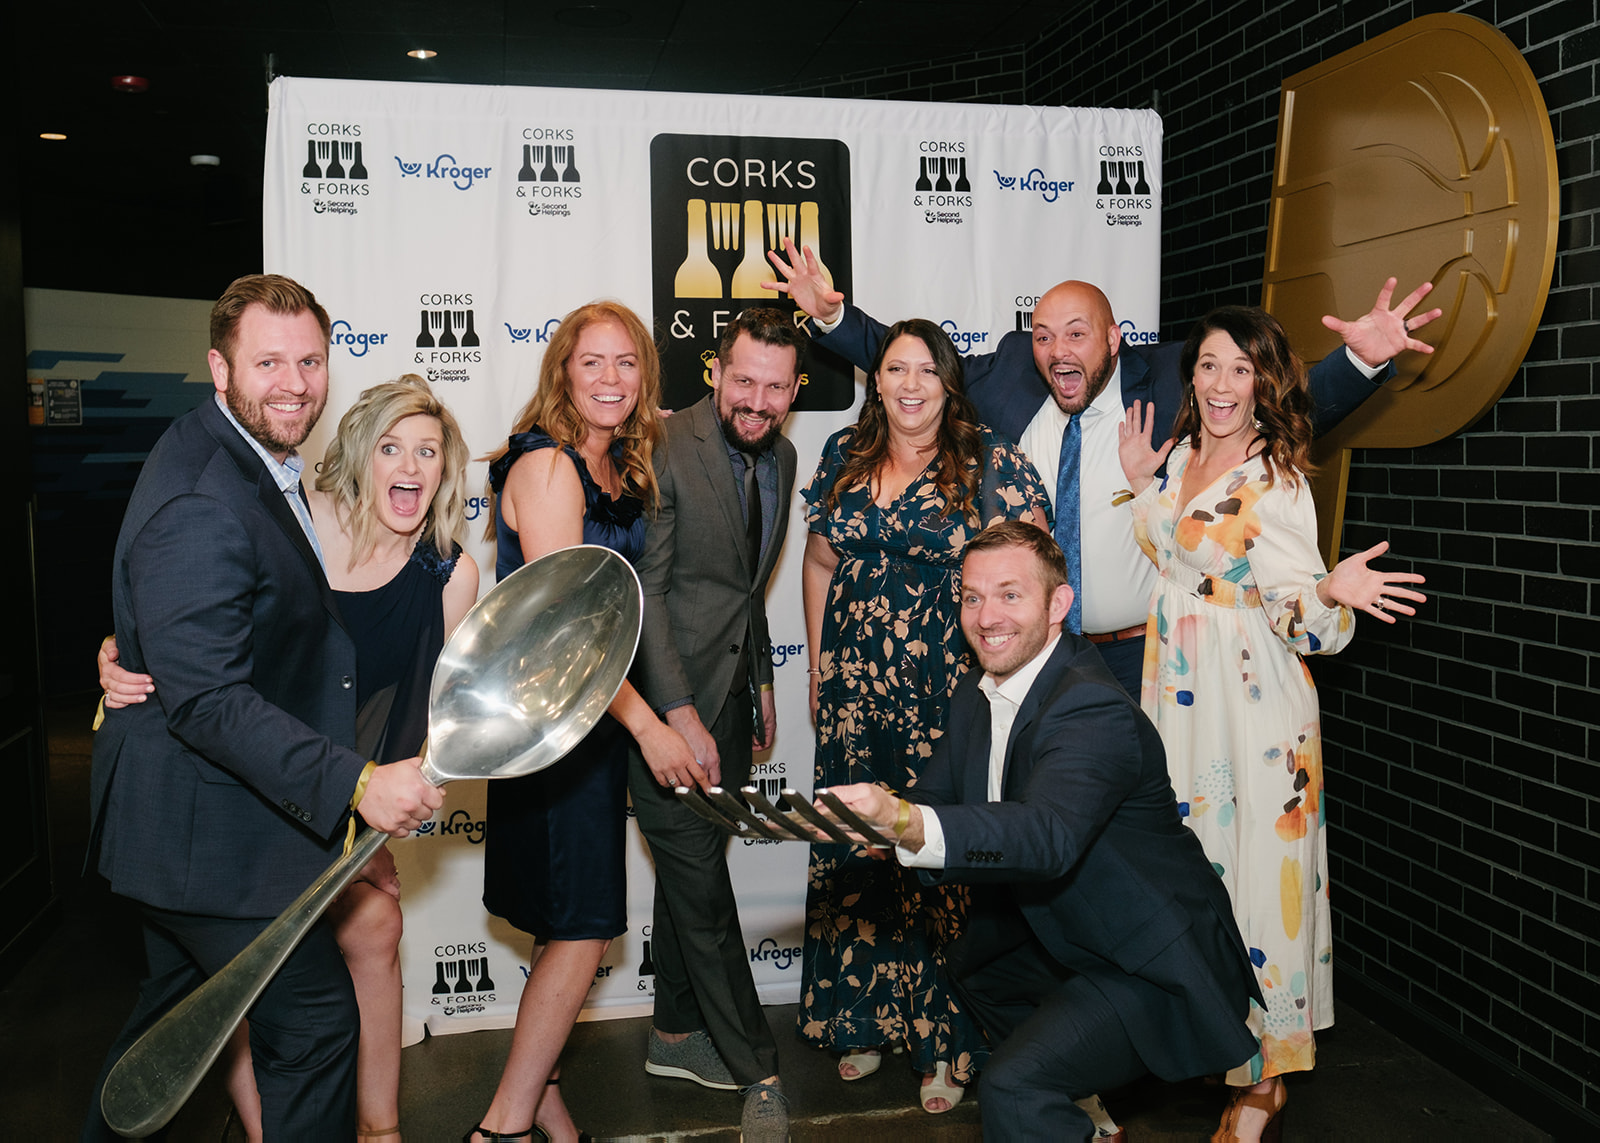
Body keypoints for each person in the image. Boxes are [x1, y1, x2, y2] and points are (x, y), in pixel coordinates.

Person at [83, 275, 443, 1142]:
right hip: (205, 838)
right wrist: (355, 781)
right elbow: (206, 698)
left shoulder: (250, 462)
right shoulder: (208, 492)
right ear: (220, 367)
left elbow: (216, 631)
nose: (293, 381)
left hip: (189, 827)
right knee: (316, 1028)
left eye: (310, 360)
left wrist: (130, 643)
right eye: (268, 361)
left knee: (164, 1048)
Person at [765, 239, 1439, 694]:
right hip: (1029, 654)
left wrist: (1361, 362)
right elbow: (916, 364)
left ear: (1114, 338)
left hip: (1143, 653)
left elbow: (1281, 404)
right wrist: (833, 317)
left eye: (1077, 333)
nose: (1057, 349)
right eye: (1044, 335)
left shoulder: (1176, 386)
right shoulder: (1006, 378)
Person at [817, 521, 1262, 1143]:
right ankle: (1084, 1113)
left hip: (1144, 957)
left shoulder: (1091, 707)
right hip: (1060, 929)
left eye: (1009, 594)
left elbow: (1048, 834)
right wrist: (879, 824)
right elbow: (937, 796)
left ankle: (1053, 1098)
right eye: (972, 597)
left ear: (1058, 605)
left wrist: (903, 821)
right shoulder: (981, 690)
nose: (985, 616)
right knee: (977, 966)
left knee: (1015, 1086)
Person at [1117, 306, 1426, 1142]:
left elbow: (1301, 619)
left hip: (1252, 711)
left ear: (1265, 383)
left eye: (1241, 370)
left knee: (1260, 884)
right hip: (1180, 703)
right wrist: (1143, 481)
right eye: (1209, 366)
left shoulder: (1278, 478)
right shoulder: (1179, 454)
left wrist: (1329, 594)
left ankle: (1263, 1081)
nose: (1221, 384)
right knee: (1195, 878)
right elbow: (1172, 553)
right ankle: (1207, 1040)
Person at [799, 319, 1050, 1113]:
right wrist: (816, 664)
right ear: (877, 380)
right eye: (896, 369)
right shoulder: (842, 455)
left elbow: (1031, 576)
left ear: (948, 385)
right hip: (853, 691)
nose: (910, 385)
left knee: (938, 856)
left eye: (926, 372)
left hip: (948, 693)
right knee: (860, 847)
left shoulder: (992, 464)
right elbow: (819, 560)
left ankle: (948, 1040)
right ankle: (863, 1019)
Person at [467, 301, 696, 1143]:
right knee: (585, 925)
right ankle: (502, 1128)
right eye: (591, 362)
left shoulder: (614, 465)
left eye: (626, 363)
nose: (610, 378)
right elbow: (569, 626)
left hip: (583, 726)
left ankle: (548, 1108)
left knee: (566, 924)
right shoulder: (551, 468)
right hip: (557, 728)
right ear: (561, 370)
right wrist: (651, 727)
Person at [628, 306, 806, 1143]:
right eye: (744, 380)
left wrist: (762, 676)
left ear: (794, 391)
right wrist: (679, 712)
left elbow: (744, 582)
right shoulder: (666, 446)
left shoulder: (787, 456)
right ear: (715, 372)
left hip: (733, 701)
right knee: (702, 887)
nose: (757, 400)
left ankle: (671, 1032)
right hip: (666, 712)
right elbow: (649, 593)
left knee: (690, 867)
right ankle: (757, 1068)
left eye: (775, 387)